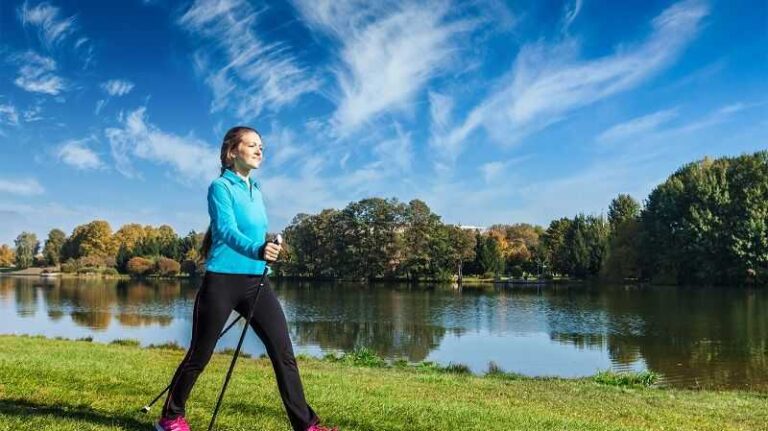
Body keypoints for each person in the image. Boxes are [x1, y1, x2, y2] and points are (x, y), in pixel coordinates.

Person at [155, 126, 336, 431]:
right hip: (222, 282)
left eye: (261, 146)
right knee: (200, 354)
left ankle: (306, 426)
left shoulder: (257, 190)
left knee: (283, 353)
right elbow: (226, 230)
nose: (259, 150)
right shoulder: (220, 188)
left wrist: (269, 251)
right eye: (252, 145)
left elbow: (254, 233)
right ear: (231, 152)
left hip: (257, 282)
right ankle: (170, 418)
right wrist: (257, 248)